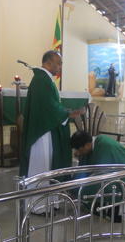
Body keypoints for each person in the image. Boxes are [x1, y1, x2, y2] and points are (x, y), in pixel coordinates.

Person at [20, 50, 85, 215]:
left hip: (47, 129)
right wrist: (67, 113)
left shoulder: (45, 79)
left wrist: (63, 111)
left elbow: (50, 105)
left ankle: (49, 203)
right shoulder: (41, 80)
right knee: (41, 167)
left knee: (48, 167)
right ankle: (36, 205)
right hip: (42, 133)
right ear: (48, 63)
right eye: (59, 63)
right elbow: (48, 106)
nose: (60, 67)